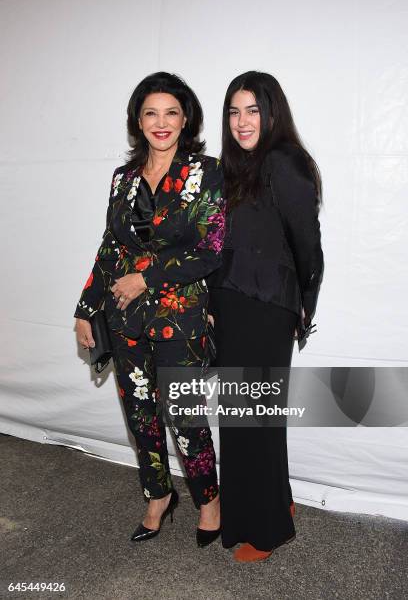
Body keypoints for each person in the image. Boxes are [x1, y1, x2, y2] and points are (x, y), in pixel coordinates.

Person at [74, 72, 225, 547]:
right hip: (125, 317)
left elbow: (213, 250)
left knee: (184, 413)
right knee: (140, 413)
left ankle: (208, 500)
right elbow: (109, 247)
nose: (161, 123)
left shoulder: (208, 172)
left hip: (180, 318)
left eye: (171, 112)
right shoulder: (123, 179)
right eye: (150, 113)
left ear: (186, 119)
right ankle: (157, 496)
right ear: (138, 122)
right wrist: (84, 307)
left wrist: (147, 277)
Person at [208, 71, 323, 562]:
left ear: (272, 112)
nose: (242, 121)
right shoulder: (236, 169)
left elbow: (308, 245)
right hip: (234, 305)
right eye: (234, 111)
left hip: (268, 307)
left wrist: (302, 305)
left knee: (250, 420)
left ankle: (264, 530)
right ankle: (278, 505)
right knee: (248, 419)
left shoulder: (286, 161)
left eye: (252, 109)